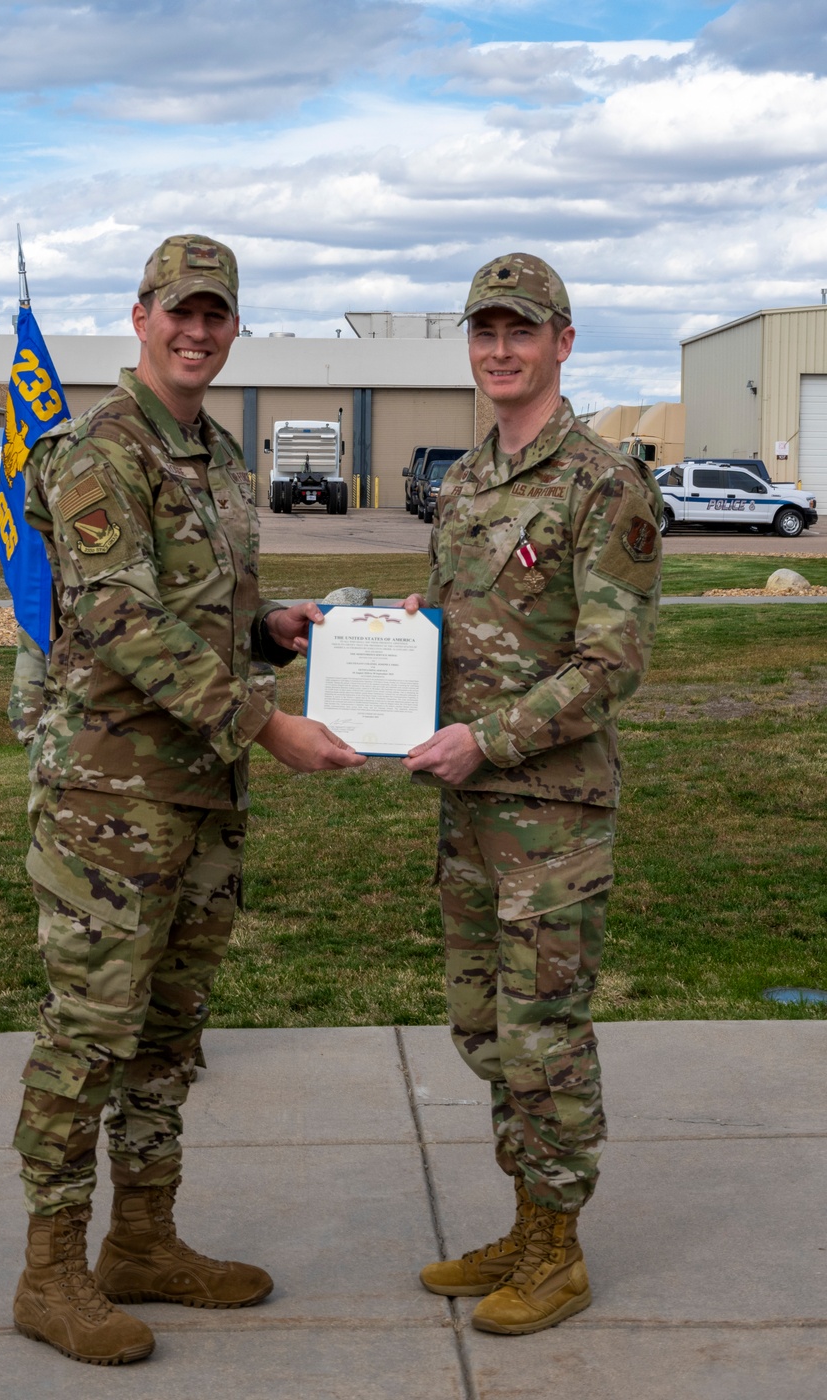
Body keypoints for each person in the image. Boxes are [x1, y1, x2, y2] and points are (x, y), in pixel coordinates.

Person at [10, 233, 364, 1366]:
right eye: (180, 311)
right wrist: (268, 718)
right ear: (139, 315)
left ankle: (145, 1239)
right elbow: (120, 619)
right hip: (112, 795)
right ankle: (50, 1268)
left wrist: (269, 632)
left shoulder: (214, 454)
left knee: (169, 1034)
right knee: (92, 1030)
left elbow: (203, 610)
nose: (197, 330)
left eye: (216, 314)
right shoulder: (99, 453)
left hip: (202, 790)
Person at [402, 253, 662, 1336]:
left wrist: (487, 738)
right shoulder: (464, 483)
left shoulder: (602, 484)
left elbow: (612, 663)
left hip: (549, 815)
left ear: (564, 340)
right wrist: (377, 643)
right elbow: (458, 626)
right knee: (484, 1027)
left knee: (544, 1033)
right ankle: (524, 1214)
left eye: (522, 330)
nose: (499, 349)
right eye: (484, 330)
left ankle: (557, 1246)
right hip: (470, 813)